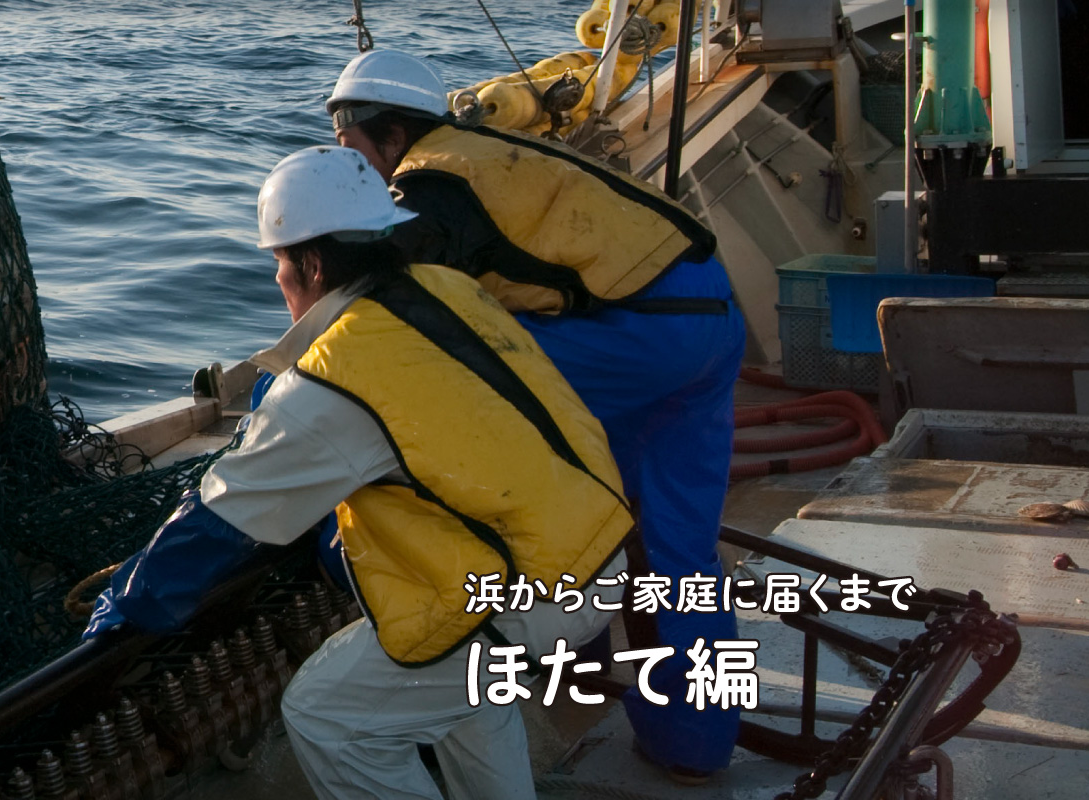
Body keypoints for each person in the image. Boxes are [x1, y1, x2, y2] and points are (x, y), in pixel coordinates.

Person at [84, 146, 632, 800]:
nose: (278, 281)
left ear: (311, 265)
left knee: (329, 714)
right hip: (601, 552)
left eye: (279, 264)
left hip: (529, 593)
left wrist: (119, 612)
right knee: (465, 694)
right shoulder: (449, 289)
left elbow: (218, 522)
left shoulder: (335, 379)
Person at [322, 48, 749, 783]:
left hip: (634, 335)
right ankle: (695, 747)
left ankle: (541, 663)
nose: (345, 158)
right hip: (713, 318)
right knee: (680, 554)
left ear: (386, 133)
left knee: (493, 451)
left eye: (346, 141)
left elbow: (386, 314)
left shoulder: (427, 181)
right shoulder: (492, 151)